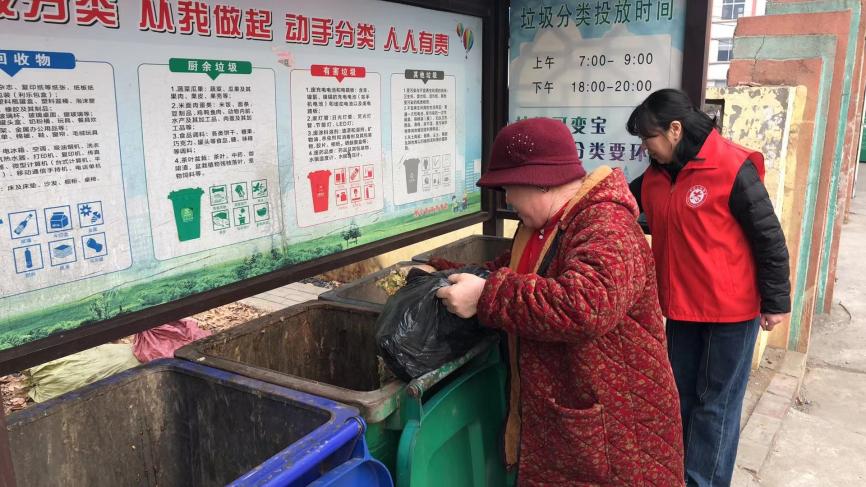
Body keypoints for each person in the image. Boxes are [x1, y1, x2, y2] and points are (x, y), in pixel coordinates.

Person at [432, 117, 685, 486]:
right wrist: (440, 272)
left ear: (538, 181)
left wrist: (486, 296)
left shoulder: (606, 225)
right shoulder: (544, 227)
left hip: (616, 433)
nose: (507, 199)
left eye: (509, 188)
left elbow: (585, 305)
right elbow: (507, 271)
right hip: (574, 423)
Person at [626, 89, 791, 486]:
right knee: (680, 397)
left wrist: (776, 301)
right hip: (682, 309)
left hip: (730, 312)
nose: (645, 147)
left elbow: (768, 237)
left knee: (715, 405)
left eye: (648, 137)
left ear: (675, 129)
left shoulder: (731, 166)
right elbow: (618, 204)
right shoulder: (656, 177)